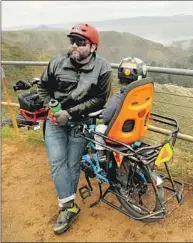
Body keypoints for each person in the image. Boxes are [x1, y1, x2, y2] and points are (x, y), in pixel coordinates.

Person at [37, 23, 112, 235]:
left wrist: (69, 113)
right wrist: (51, 107)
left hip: (81, 123)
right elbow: (43, 88)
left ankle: (68, 202)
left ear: (93, 47)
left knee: (72, 164)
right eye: (72, 41)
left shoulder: (103, 68)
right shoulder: (57, 63)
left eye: (80, 42)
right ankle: (68, 206)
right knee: (57, 161)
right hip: (54, 122)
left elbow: (100, 99)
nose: (74, 46)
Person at [94, 57, 148, 160]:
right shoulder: (143, 95)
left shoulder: (119, 96)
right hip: (136, 132)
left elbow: (106, 117)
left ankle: (101, 156)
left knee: (98, 130)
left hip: (119, 134)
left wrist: (104, 113)